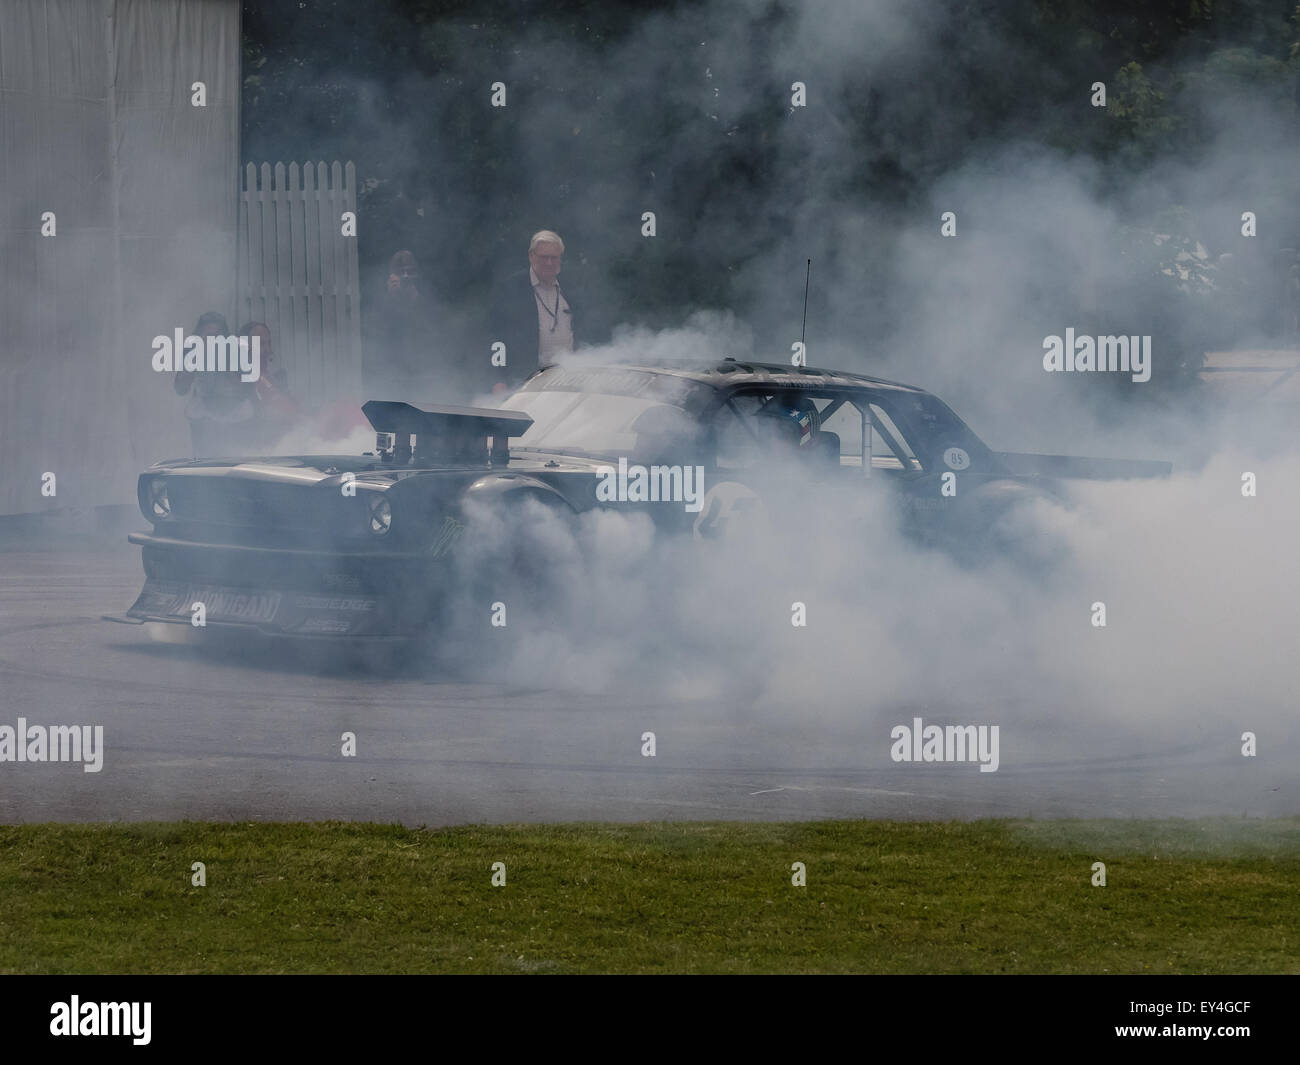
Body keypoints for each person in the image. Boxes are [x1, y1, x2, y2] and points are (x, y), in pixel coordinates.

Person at [487, 230, 582, 392]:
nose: (550, 263)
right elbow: (496, 338)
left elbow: (586, 329)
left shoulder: (572, 288)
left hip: (569, 381)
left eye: (554, 257)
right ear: (532, 256)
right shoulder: (510, 289)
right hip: (525, 381)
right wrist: (498, 379)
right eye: (544, 257)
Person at [173, 311, 257, 457]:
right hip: (204, 419)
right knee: (204, 461)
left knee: (234, 459)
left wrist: (225, 365)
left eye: (216, 337)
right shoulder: (192, 351)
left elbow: (247, 390)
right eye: (207, 337)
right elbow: (180, 389)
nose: (211, 341)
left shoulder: (236, 350)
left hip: (235, 417)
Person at [368, 249, 438, 396]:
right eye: (401, 273)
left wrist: (415, 300)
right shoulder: (381, 303)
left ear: (417, 274)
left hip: (421, 374)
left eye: (410, 272)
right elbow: (376, 335)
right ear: (392, 276)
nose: (406, 277)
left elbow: (432, 335)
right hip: (389, 374)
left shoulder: (425, 301)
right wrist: (390, 299)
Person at [239, 321, 300, 446]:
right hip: (256, 449)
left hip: (287, 440)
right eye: (261, 344)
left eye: (269, 343)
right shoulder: (238, 378)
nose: (268, 349)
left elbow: (291, 409)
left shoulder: (278, 374)